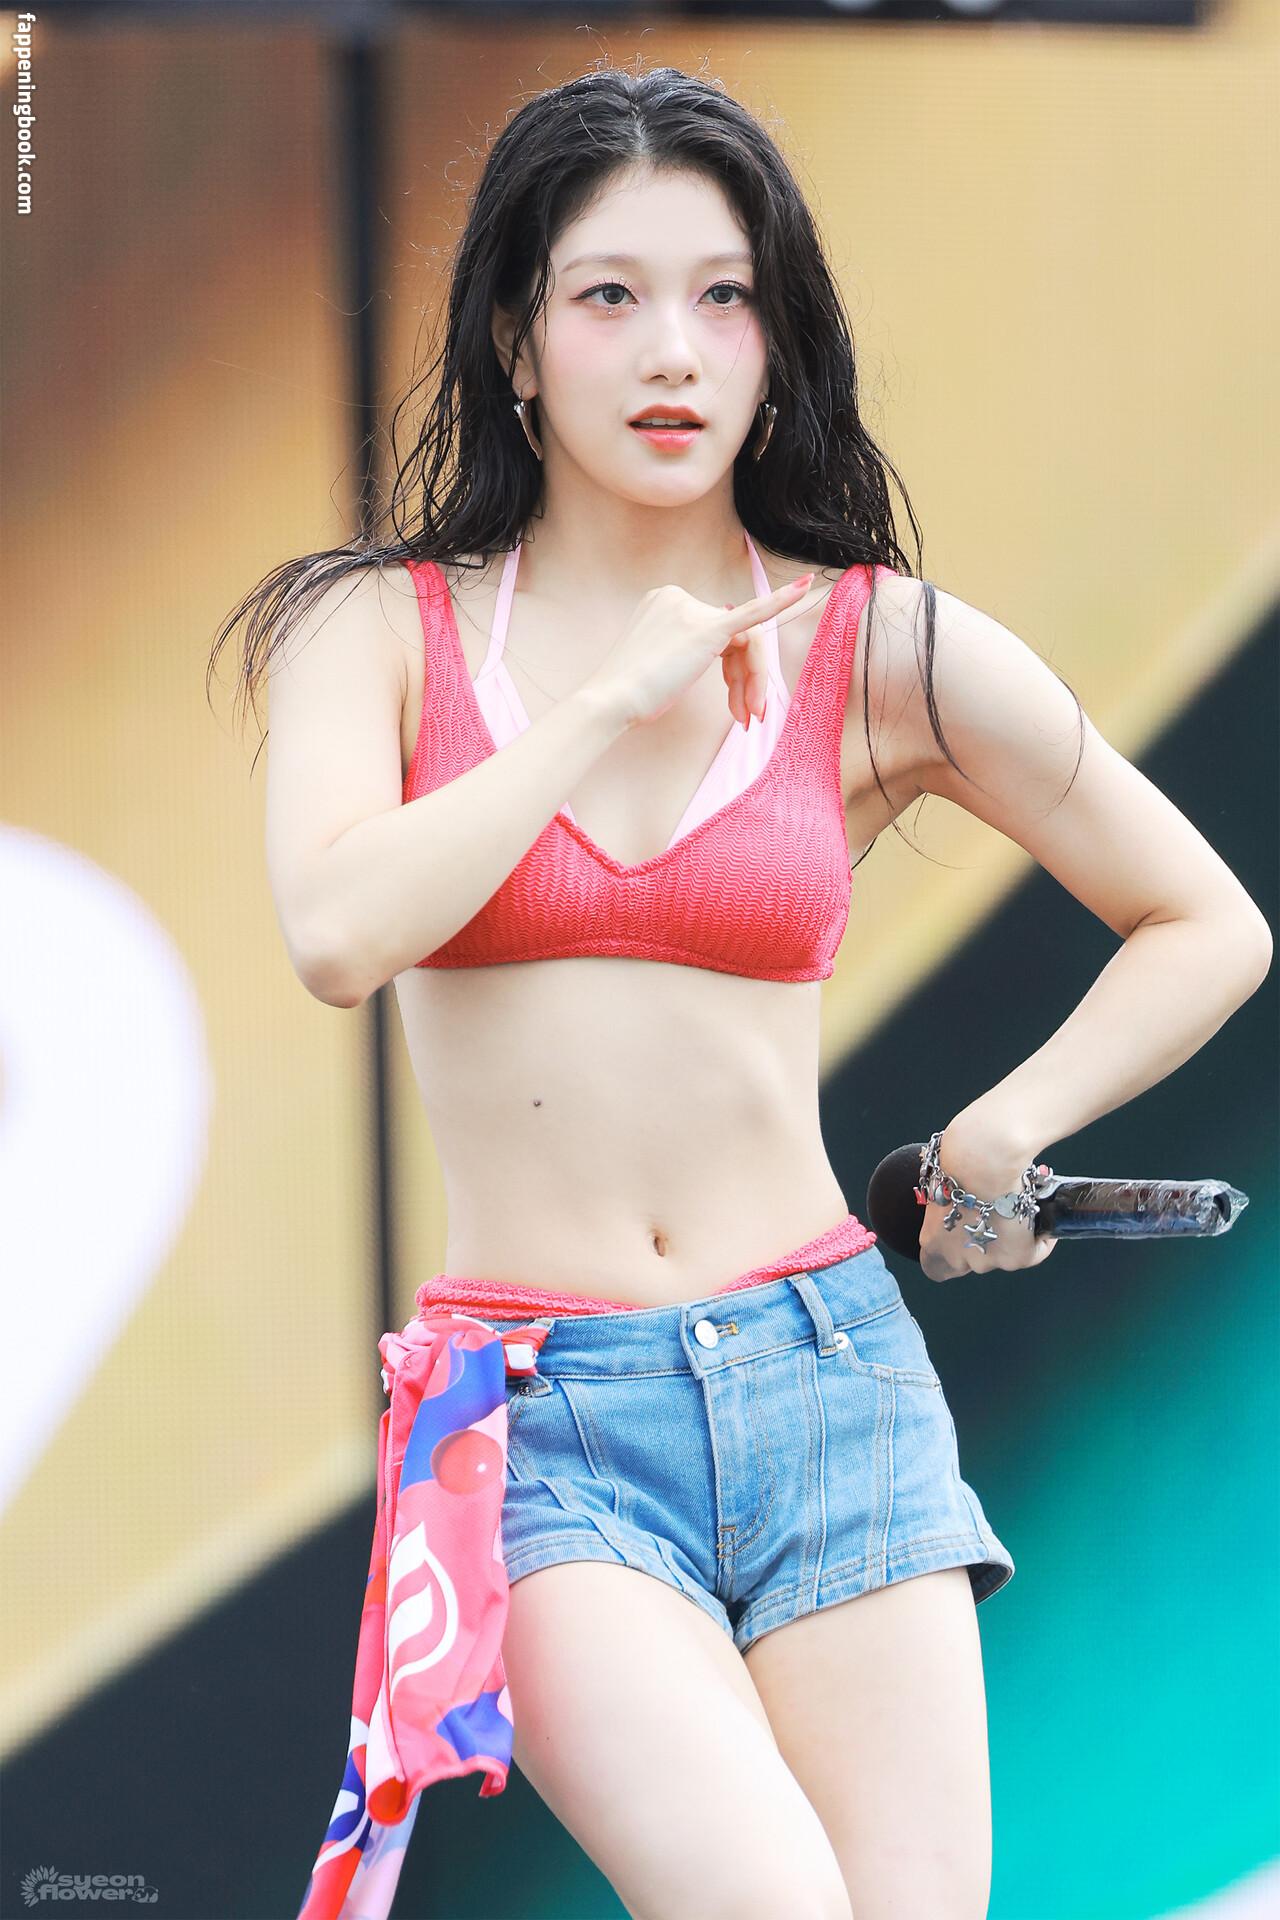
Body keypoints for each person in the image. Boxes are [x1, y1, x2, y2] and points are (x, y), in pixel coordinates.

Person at [211, 64, 1271, 1920]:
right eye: (608, 296)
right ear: (516, 342)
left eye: (724, 296)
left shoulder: (878, 643)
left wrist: (1005, 1127)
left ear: (778, 342)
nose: (672, 350)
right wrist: (610, 696)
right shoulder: (371, 629)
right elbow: (336, 934)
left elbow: (1206, 920)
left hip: (826, 1376)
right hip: (534, 1419)